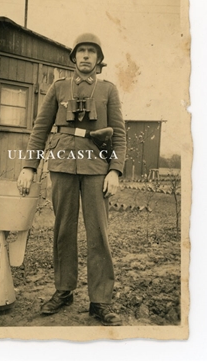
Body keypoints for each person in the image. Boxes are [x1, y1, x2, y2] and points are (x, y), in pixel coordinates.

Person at [17, 33, 126, 326]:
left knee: (98, 234)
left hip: (95, 168)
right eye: (82, 51)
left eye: (92, 51)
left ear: (98, 59)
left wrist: (115, 170)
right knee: (63, 230)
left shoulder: (108, 91)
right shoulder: (58, 87)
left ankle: (100, 301)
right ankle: (64, 291)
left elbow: (119, 134)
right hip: (62, 164)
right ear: (74, 57)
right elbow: (40, 129)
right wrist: (29, 166)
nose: (86, 56)